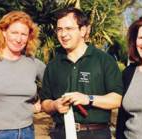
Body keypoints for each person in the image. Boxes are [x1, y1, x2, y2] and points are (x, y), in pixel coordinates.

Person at [39, 7, 123, 139]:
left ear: (83, 30)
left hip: (95, 133)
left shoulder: (104, 60)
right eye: (59, 29)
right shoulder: (53, 65)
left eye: (69, 29)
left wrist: (88, 99)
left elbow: (117, 99)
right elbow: (45, 102)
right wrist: (55, 105)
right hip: (61, 133)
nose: (63, 34)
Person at [0, 11, 45, 139]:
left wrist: (41, 105)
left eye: (23, 34)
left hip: (27, 132)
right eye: (14, 33)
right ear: (4, 32)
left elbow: (55, 82)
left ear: (29, 37)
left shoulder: (33, 63)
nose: (19, 39)